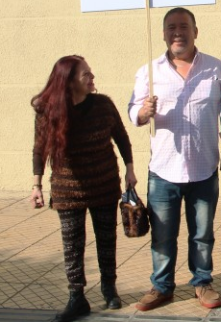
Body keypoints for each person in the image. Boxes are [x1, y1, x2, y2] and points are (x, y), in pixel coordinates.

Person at [128, 7, 221, 312]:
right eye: (171, 27)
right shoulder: (149, 70)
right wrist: (142, 113)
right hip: (163, 170)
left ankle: (202, 281)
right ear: (163, 34)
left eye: (184, 26)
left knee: (202, 234)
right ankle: (161, 286)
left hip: (203, 168)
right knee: (163, 235)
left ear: (195, 31)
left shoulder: (215, 68)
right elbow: (133, 110)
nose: (178, 32)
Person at [30, 55, 137, 322]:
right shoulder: (48, 110)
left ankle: (108, 288)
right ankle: (76, 297)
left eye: (91, 73)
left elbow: (121, 137)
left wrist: (130, 169)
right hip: (67, 189)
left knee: (106, 238)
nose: (92, 78)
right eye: (85, 75)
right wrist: (36, 185)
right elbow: (39, 149)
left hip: (104, 183)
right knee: (72, 245)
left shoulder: (103, 104)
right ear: (68, 82)